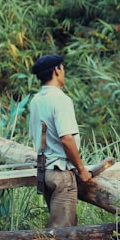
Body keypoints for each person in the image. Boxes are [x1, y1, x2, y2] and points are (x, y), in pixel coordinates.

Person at [28, 54, 93, 229]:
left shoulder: (35, 101)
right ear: (57, 70)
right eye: (62, 68)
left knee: (56, 226)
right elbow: (66, 139)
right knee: (62, 235)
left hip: (44, 172)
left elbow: (35, 135)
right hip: (60, 172)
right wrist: (81, 169)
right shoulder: (61, 99)